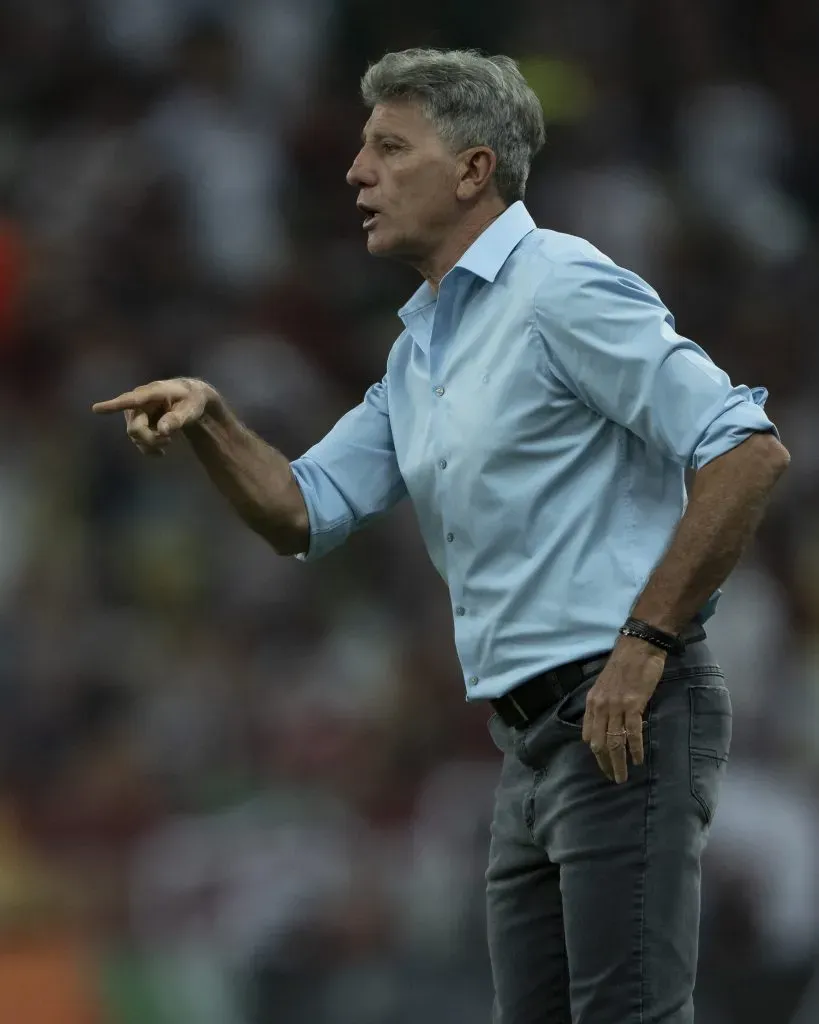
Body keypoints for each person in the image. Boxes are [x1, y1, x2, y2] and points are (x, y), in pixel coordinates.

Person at [93, 48, 790, 1024]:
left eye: (388, 147)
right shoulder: (421, 351)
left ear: (474, 170)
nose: (355, 173)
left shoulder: (559, 286)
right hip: (530, 739)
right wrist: (212, 419)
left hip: (624, 710)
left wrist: (646, 644)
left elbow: (747, 450)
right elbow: (304, 510)